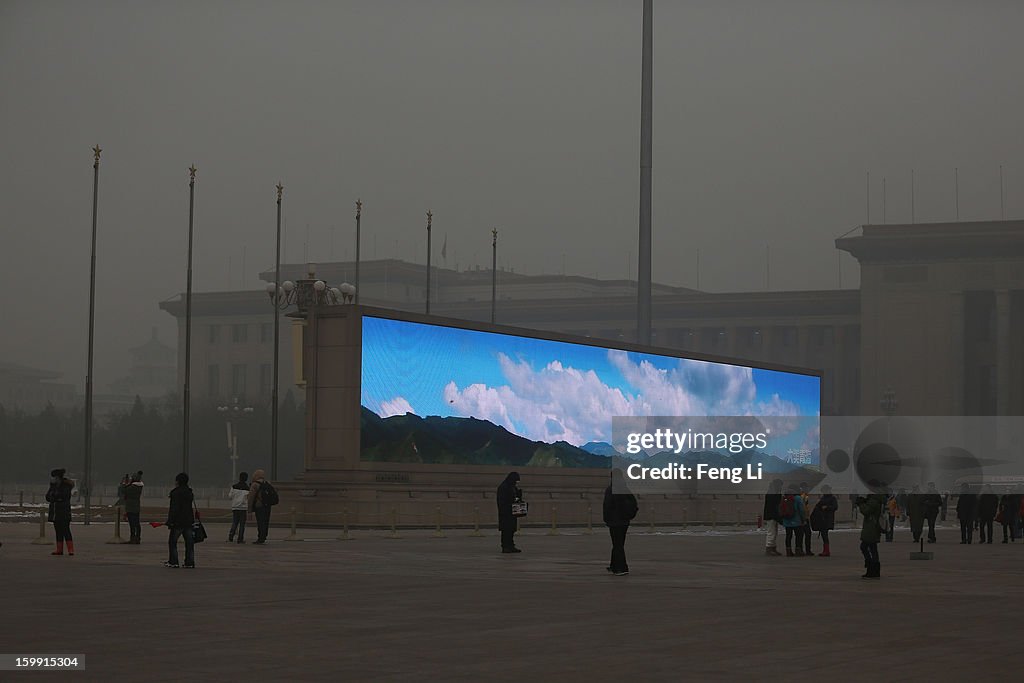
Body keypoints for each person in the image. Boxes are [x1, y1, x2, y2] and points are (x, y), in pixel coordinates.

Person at [603, 469, 638, 576]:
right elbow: (634, 503)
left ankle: (621, 568)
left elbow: (607, 506)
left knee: (617, 545)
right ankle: (614, 565)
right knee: (619, 544)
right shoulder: (625, 488)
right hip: (624, 522)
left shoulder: (611, 489)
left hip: (614, 522)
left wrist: (606, 519)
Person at [165, 472, 195, 568]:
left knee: (172, 542)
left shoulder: (175, 493)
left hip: (178, 521)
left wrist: (170, 521)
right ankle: (189, 562)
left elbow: (174, 509)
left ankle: (173, 561)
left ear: (177, 481)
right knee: (189, 543)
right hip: (188, 520)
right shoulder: (189, 492)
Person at [856, 491, 887, 579]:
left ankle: (871, 568)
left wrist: (861, 504)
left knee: (866, 547)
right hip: (872, 527)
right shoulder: (875, 499)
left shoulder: (874, 500)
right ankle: (873, 569)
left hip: (871, 528)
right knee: (872, 548)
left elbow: (866, 511)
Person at [46, 468, 75, 556]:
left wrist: (55, 497)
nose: (53, 479)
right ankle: (59, 549)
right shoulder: (53, 486)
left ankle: (71, 549)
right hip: (55, 512)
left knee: (66, 530)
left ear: (58, 477)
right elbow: (48, 497)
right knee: (58, 531)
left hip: (64, 512)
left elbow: (63, 496)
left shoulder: (66, 486)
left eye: (54, 477)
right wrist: (54, 496)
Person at [496, 472, 522, 553]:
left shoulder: (511, 486)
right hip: (506, 512)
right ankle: (505, 546)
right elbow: (502, 501)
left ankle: (511, 545)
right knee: (506, 530)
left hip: (512, 512)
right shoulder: (504, 487)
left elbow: (515, 497)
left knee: (511, 530)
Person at [810, 484, 838, 557]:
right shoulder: (823, 498)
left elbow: (835, 507)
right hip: (822, 518)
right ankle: (825, 550)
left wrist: (827, 507)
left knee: (824, 534)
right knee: (823, 534)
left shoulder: (832, 498)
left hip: (827, 519)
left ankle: (826, 551)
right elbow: (818, 506)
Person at [248, 469, 274, 544]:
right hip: (267, 506)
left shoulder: (255, 484)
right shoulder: (267, 483)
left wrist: (249, 510)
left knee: (260, 522)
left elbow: (251, 497)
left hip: (259, 506)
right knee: (266, 522)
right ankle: (264, 536)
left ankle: (260, 537)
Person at [780, 486, 806, 557]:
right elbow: (802, 510)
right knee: (799, 535)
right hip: (796, 521)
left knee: (788, 536)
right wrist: (803, 519)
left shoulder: (784, 498)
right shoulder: (797, 498)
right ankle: (798, 551)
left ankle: (788, 551)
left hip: (787, 521)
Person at [762, 479, 783, 556]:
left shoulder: (772, 492)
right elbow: (774, 506)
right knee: (771, 532)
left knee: (774, 532)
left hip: (772, 515)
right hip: (771, 515)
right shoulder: (773, 493)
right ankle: (769, 548)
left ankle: (773, 547)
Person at [229, 472, 249, 543]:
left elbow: (230, 496)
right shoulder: (247, 488)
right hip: (243, 508)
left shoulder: (234, 486)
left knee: (235, 522)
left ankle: (231, 536)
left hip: (235, 507)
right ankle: (240, 538)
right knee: (242, 524)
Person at [124, 471, 144, 544]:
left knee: (132, 524)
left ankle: (133, 538)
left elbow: (124, 491)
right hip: (136, 506)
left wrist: (125, 484)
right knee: (137, 523)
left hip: (130, 507)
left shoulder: (132, 487)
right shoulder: (139, 487)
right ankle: (137, 538)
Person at [798, 482, 813, 556]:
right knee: (807, 534)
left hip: (803, 517)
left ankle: (801, 549)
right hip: (803, 518)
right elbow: (804, 508)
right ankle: (807, 550)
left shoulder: (803, 496)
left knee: (802, 534)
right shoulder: (803, 496)